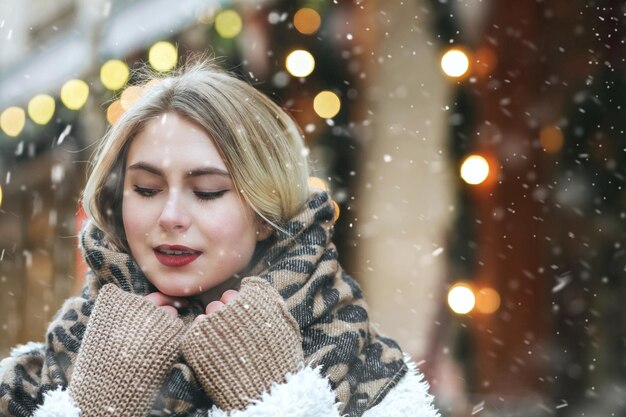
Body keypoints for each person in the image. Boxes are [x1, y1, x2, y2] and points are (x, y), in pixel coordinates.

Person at [0, 61, 439, 417]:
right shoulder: (31, 383)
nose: (170, 217)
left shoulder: (372, 379)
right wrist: (90, 410)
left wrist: (279, 401)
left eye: (207, 191)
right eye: (147, 190)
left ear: (264, 213)